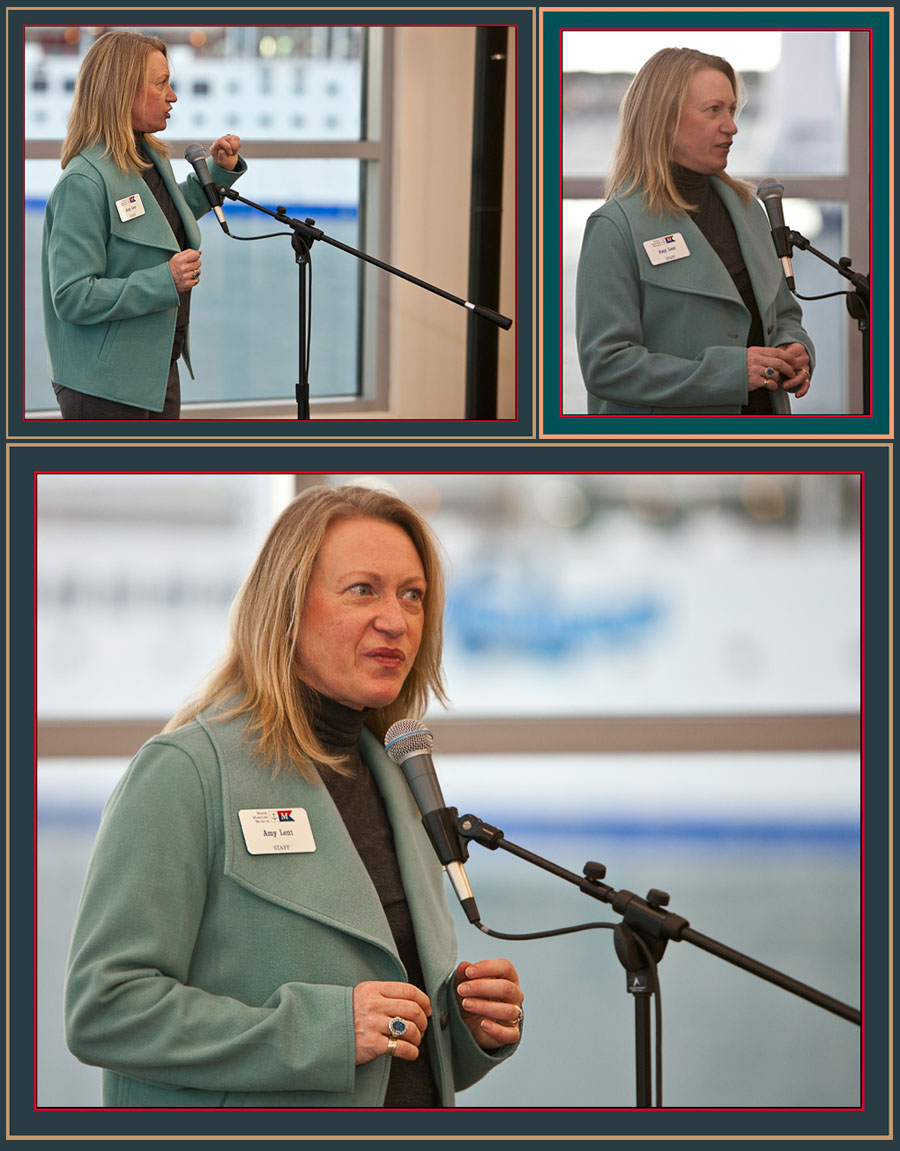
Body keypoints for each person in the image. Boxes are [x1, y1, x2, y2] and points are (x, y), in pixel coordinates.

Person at [64, 484, 524, 1108]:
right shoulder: (187, 771)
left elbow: (389, 1037)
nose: (396, 619)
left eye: (412, 595)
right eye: (364, 589)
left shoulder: (399, 780)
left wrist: (464, 1029)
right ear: (286, 606)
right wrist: (325, 1029)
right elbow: (106, 1009)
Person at [576, 47, 815, 415]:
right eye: (713, 110)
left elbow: (783, 316)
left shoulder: (749, 208)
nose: (732, 126)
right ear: (664, 119)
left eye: (732, 110)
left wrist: (795, 350)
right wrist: (731, 371)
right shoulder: (615, 226)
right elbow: (606, 366)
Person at [42, 30, 247, 420]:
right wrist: (164, 281)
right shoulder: (84, 182)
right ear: (124, 92)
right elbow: (71, 296)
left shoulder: (147, 156)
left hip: (154, 371)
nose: (173, 96)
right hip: (102, 386)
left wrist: (217, 174)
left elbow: (162, 218)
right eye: (162, 84)